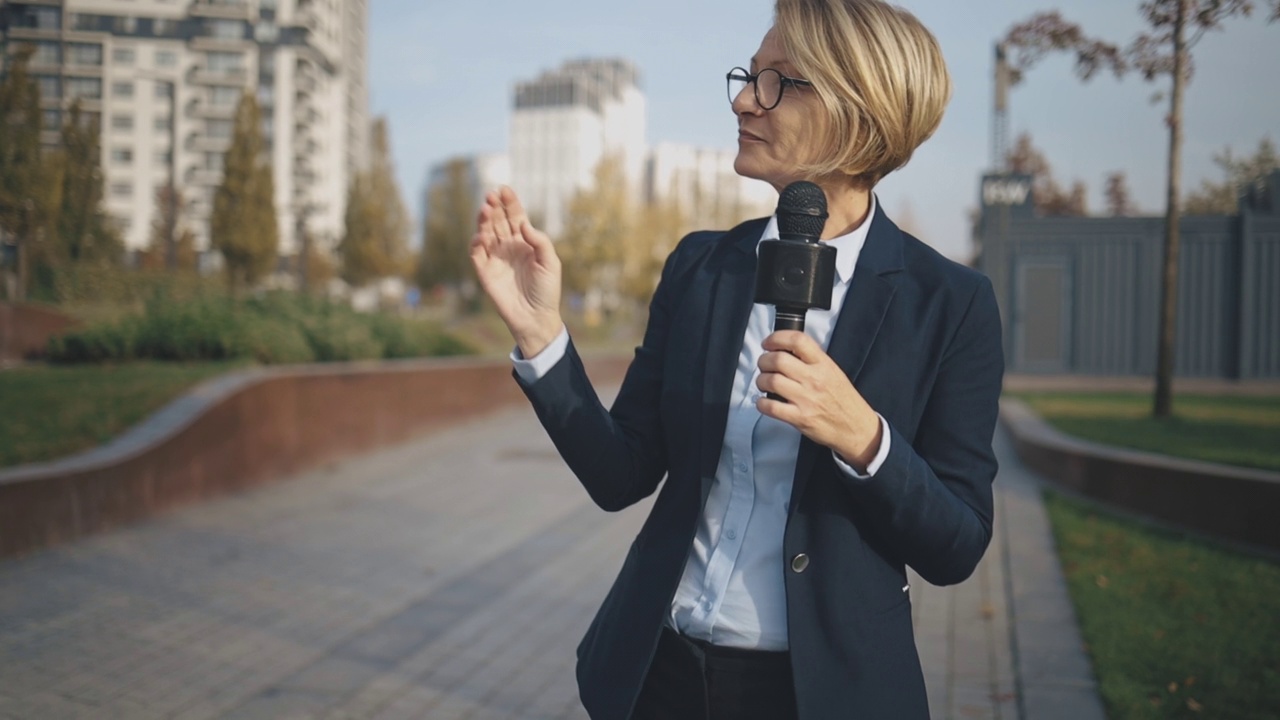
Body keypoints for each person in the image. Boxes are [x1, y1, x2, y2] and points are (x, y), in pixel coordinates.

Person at [470, 1, 1004, 718]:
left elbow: (958, 546)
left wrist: (864, 439)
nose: (745, 101)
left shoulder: (951, 304)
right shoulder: (701, 268)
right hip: (660, 676)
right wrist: (541, 336)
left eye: (778, 81)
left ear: (859, 110)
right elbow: (620, 474)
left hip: (820, 695)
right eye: (748, 77)